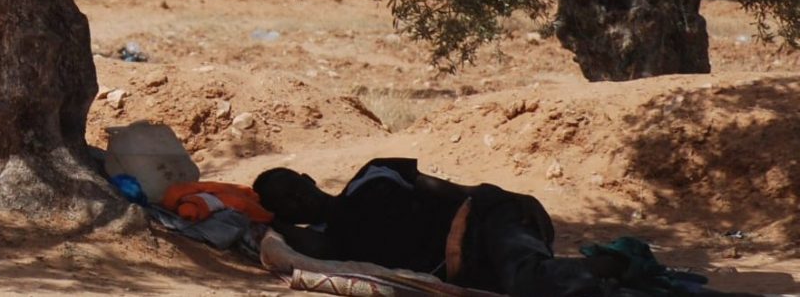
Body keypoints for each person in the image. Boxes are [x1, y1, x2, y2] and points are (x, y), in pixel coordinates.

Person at [254, 159, 754, 297]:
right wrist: (261, 215)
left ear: (307, 177)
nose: (296, 196)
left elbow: (449, 188)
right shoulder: (331, 241)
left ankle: (622, 263)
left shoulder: (374, 174)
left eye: (292, 185)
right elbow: (284, 242)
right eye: (283, 201)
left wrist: (491, 209)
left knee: (529, 281)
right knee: (524, 286)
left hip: (490, 218)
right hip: (470, 264)